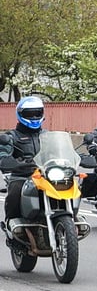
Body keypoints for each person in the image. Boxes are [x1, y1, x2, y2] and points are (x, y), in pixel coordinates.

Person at [0, 96, 47, 225]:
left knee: (70, 184)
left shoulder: (47, 135)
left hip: (46, 175)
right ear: (20, 114)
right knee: (16, 189)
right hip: (23, 175)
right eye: (29, 114)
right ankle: (11, 221)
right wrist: (14, 164)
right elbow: (3, 154)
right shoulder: (11, 137)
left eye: (37, 113)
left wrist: (79, 157)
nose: (33, 117)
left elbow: (61, 151)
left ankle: (71, 218)